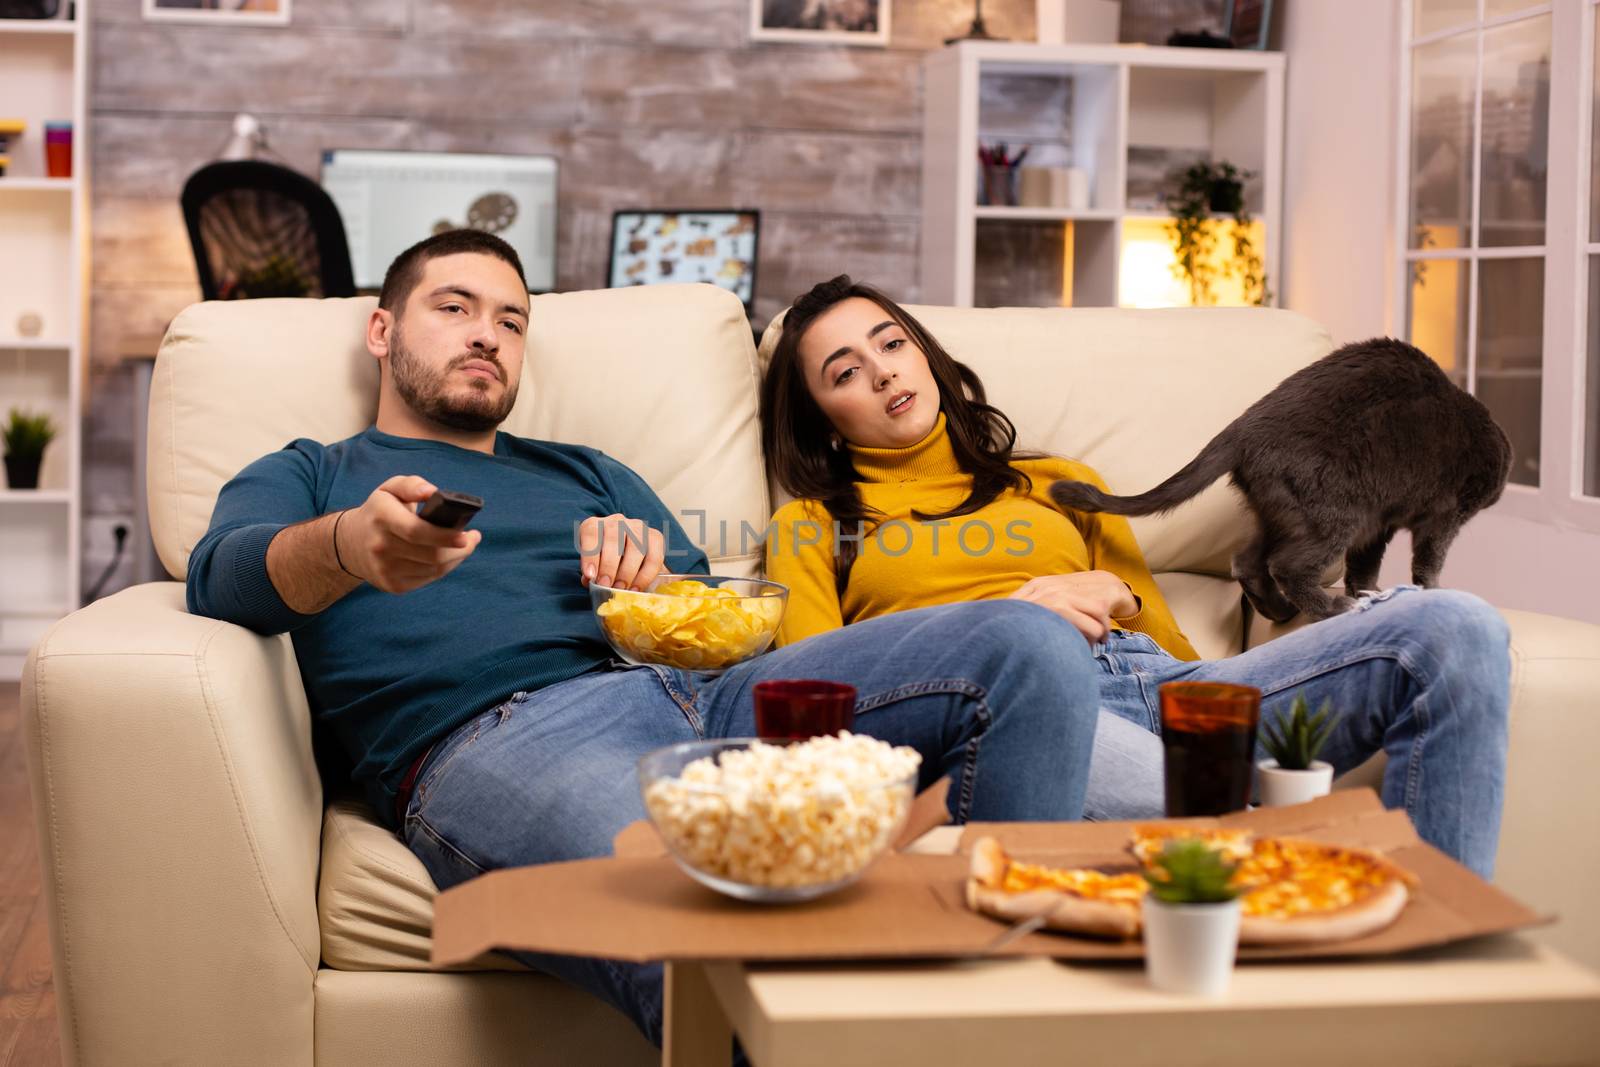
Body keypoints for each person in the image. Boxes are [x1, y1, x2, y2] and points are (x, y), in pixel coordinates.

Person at [185, 231, 1109, 1047]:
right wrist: (352, 543)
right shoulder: (313, 471)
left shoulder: (588, 470)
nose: (486, 335)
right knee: (708, 913)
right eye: (455, 308)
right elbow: (220, 579)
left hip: (704, 698)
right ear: (382, 331)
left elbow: (728, 623)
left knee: (1025, 642)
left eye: (511, 322)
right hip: (495, 737)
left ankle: (1010, 1021)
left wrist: (661, 589)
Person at [760, 274, 1511, 880]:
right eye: (847, 371)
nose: (883, 367)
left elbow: (1177, 652)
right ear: (826, 417)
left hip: (1165, 688)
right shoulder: (815, 528)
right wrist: (997, 633)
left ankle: (1438, 960)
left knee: (1456, 628)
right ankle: (1297, 853)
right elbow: (821, 713)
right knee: (1212, 816)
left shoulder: (1059, 482)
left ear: (925, 354)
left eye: (891, 342)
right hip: (1020, 715)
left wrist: (1120, 593)